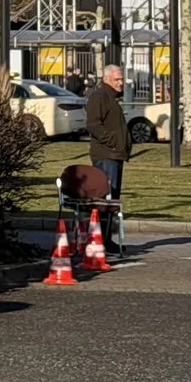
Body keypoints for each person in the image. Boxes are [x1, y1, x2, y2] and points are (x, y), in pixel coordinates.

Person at [83, 63, 130, 251]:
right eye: (117, 79)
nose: (121, 83)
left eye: (121, 79)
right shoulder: (100, 97)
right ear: (107, 79)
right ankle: (98, 239)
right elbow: (93, 125)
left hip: (115, 154)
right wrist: (112, 141)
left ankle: (106, 238)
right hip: (106, 155)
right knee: (105, 198)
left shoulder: (111, 98)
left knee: (112, 200)